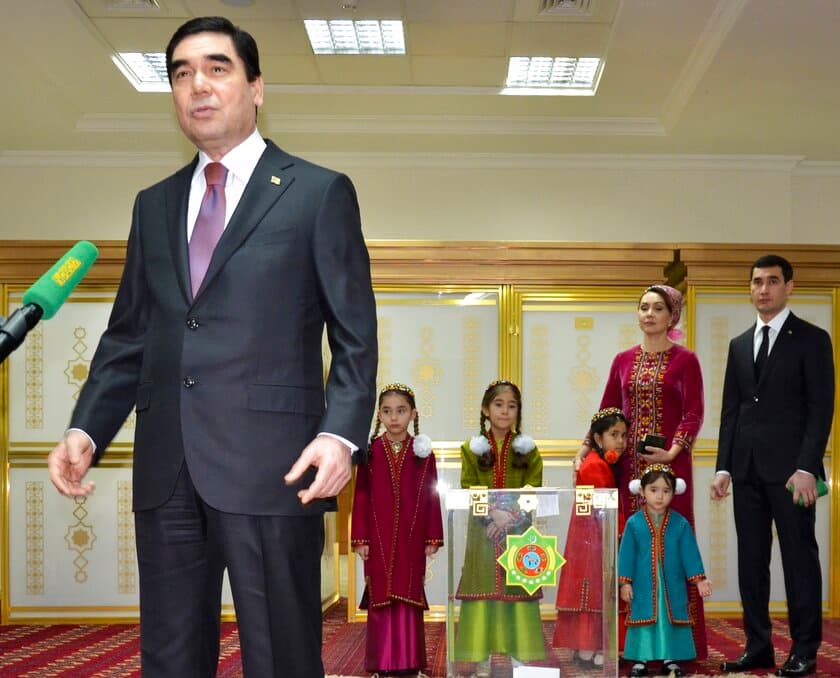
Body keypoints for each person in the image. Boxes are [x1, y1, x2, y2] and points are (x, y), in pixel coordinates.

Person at [45, 16, 377, 678]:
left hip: (276, 468)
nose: (197, 85)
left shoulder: (317, 193)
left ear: (256, 88)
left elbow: (354, 335)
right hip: (167, 470)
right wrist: (87, 427)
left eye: (217, 68)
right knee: (170, 659)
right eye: (181, 73)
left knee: (282, 657)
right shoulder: (154, 205)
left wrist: (340, 437)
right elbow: (130, 333)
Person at [712, 254, 834, 678]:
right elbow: (732, 411)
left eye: (772, 281)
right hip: (744, 472)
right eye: (757, 282)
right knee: (751, 563)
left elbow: (821, 410)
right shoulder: (739, 343)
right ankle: (758, 647)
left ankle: (805, 650)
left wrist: (806, 466)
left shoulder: (813, 339)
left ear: (789, 287)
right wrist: (723, 467)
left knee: (800, 561)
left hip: (792, 476)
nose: (763, 289)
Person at [574, 283, 708, 659]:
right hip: (625, 470)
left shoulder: (686, 360)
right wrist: (585, 449)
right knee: (625, 550)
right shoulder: (622, 360)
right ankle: (625, 643)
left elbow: (693, 412)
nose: (649, 314)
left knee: (670, 549)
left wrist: (672, 452)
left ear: (672, 316)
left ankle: (675, 644)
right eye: (644, 307)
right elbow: (606, 410)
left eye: (658, 308)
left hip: (670, 470)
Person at [351, 384, 443, 677]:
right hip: (377, 539)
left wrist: (433, 536)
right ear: (379, 414)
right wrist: (360, 537)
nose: (394, 418)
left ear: (413, 413)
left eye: (401, 411)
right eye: (388, 411)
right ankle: (382, 663)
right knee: (381, 595)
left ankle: (408, 663)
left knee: (408, 593)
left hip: (412, 538)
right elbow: (361, 495)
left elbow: (432, 494)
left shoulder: (424, 453)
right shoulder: (371, 452)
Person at [454, 380, 544, 677]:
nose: (505, 411)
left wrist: (512, 518)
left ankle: (520, 659)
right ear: (485, 409)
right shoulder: (471, 449)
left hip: (518, 534)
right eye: (498, 404)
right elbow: (469, 487)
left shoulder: (529, 451)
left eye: (512, 406)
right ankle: (480, 659)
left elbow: (534, 490)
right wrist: (492, 517)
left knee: (517, 587)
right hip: (483, 534)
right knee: (483, 591)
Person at [618, 464, 712, 678]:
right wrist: (625, 582)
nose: (660, 496)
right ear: (642, 491)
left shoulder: (680, 524)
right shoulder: (634, 524)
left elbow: (690, 553)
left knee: (672, 618)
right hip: (643, 584)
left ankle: (670, 659)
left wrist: (700, 580)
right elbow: (626, 555)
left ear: (673, 492)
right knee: (642, 617)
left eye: (666, 490)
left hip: (672, 583)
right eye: (653, 490)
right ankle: (641, 659)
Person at [553, 407, 628, 670]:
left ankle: (589, 649)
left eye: (624, 435)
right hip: (594, 538)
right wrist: (623, 533)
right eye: (614, 434)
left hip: (589, 536)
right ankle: (592, 648)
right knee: (595, 588)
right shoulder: (596, 466)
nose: (621, 441)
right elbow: (603, 509)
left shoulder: (602, 463)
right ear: (598, 439)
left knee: (593, 589)